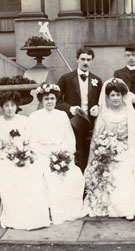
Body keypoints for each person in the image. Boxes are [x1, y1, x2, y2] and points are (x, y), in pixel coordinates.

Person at [0, 91, 50, 230]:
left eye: (13, 105)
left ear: (17, 106)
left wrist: (26, 154)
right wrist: (11, 158)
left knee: (33, 173)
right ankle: (15, 216)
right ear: (2, 107)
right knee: (13, 176)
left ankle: (35, 215)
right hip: (6, 159)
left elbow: (30, 142)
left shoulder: (25, 121)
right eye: (7, 105)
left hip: (24, 156)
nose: (10, 108)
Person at [29, 83, 85, 225]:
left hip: (61, 153)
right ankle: (52, 211)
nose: (49, 102)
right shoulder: (34, 117)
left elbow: (69, 138)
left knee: (74, 175)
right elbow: (32, 141)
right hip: (43, 154)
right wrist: (48, 155)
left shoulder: (62, 115)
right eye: (46, 99)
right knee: (49, 176)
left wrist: (65, 155)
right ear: (42, 100)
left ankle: (69, 209)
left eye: (52, 99)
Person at [84, 78, 135, 219]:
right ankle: (103, 205)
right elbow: (97, 136)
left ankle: (125, 208)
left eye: (118, 94)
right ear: (107, 97)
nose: (115, 98)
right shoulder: (104, 113)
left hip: (125, 149)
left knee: (123, 171)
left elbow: (132, 135)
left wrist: (125, 149)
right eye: (112, 95)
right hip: (106, 149)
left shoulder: (129, 112)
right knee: (103, 169)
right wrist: (102, 150)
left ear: (123, 96)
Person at [56, 47, 103, 171]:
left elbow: (102, 101)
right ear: (77, 60)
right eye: (82, 59)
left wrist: (98, 108)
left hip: (91, 125)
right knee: (76, 155)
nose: (85, 62)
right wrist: (70, 108)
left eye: (88, 59)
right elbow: (56, 100)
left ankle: (89, 185)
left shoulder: (97, 80)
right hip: (72, 124)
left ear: (92, 61)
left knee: (91, 155)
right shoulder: (66, 78)